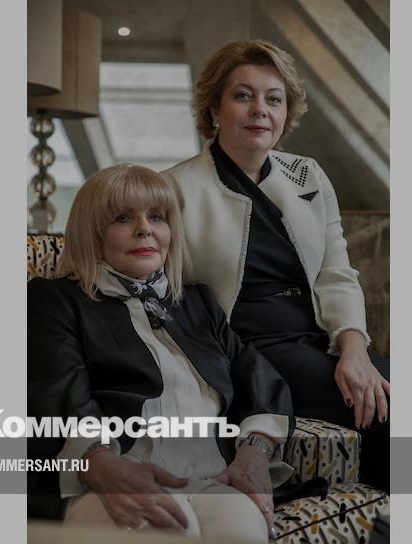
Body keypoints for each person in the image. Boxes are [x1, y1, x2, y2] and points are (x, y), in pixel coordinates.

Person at [162, 40, 390, 490]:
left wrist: (354, 348)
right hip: (250, 351)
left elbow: (336, 272)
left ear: (286, 113)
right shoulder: (174, 189)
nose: (260, 110)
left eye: (273, 99)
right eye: (242, 95)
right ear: (214, 108)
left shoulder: (308, 175)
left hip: (318, 337)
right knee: (385, 408)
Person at [27, 164, 294, 542]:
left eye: (157, 217)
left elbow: (257, 376)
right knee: (172, 530)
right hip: (105, 479)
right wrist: (98, 461)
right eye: (122, 218)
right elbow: (56, 391)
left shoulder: (197, 303)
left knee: (244, 533)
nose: (144, 229)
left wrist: (254, 450)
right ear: (91, 232)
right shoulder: (56, 301)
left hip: (210, 478)